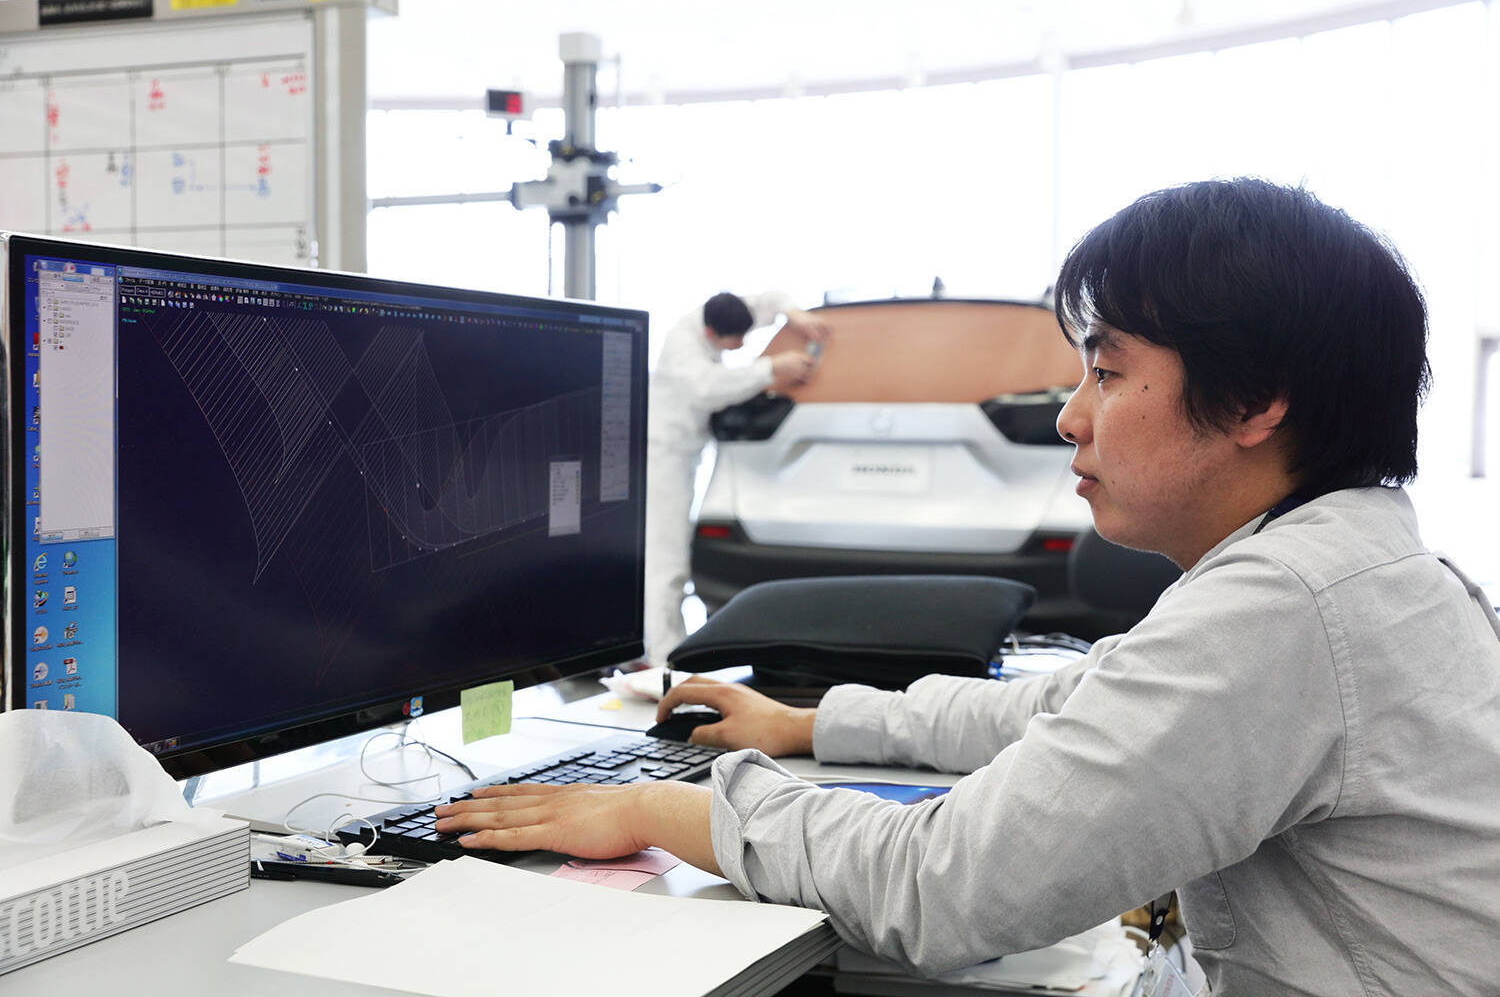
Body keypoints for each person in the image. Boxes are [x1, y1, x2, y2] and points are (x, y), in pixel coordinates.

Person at [435, 180, 1500, 994]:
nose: (1070, 416)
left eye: (1107, 372)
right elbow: (1070, 706)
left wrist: (661, 806)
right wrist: (813, 724)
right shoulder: (1343, 566)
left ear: (1258, 401)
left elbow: (942, 884)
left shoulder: (1289, 607)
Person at [643, 291, 829, 665]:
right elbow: (709, 390)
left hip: (690, 452)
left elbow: (768, 299)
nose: (741, 345)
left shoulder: (726, 312)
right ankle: (662, 658)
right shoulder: (683, 347)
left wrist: (792, 312)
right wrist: (771, 369)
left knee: (667, 557)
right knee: (667, 560)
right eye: (735, 341)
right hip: (665, 457)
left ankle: (659, 649)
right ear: (711, 334)